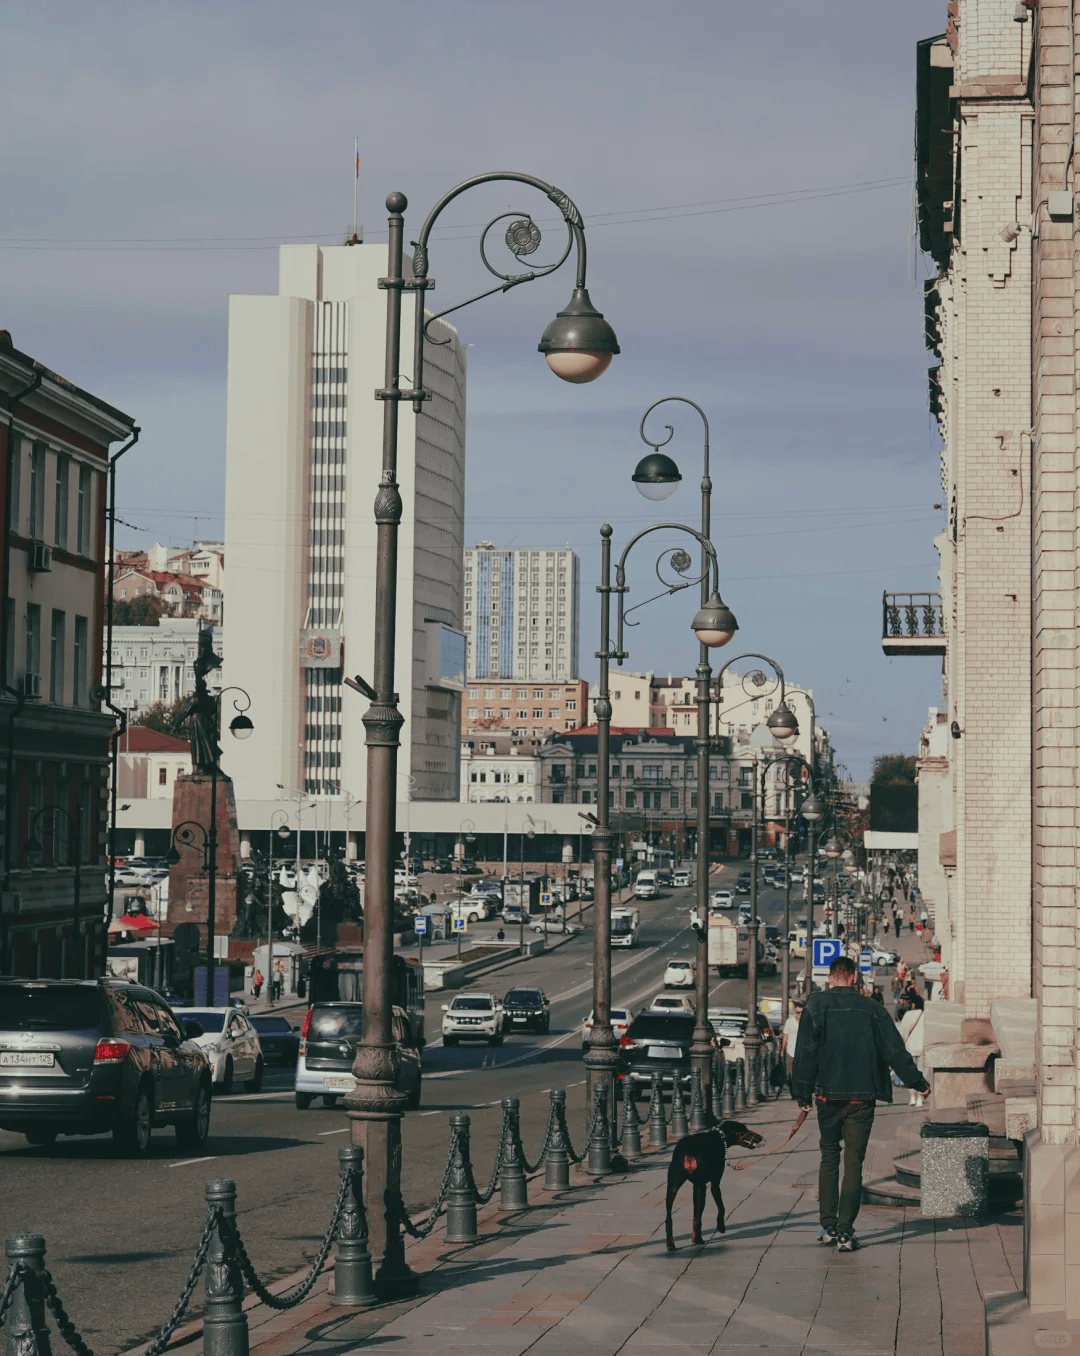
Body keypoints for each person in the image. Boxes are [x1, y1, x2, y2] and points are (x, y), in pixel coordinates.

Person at [792, 956, 930, 1253]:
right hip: (860, 1099)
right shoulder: (872, 1009)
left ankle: (827, 1225)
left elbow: (804, 1054)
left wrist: (802, 1096)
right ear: (853, 977)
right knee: (854, 1161)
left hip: (826, 1097)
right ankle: (845, 1232)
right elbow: (894, 1051)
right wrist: (919, 1083)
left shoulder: (815, 1006)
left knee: (829, 1156)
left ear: (831, 978)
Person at [898, 992, 926, 1107]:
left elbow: (903, 1031)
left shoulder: (908, 1015)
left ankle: (912, 1097)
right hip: (923, 1048)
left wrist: (901, 1044)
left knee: (910, 1074)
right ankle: (920, 1098)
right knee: (922, 1074)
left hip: (910, 1048)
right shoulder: (926, 1015)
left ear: (913, 1004)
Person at [781, 999, 805, 1098]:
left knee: (801, 1073)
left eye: (802, 1012)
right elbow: (785, 1037)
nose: (799, 1014)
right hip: (790, 1051)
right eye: (798, 1012)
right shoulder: (789, 1022)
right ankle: (793, 1092)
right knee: (791, 1073)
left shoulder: (806, 1023)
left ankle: (800, 1092)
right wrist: (782, 1050)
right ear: (795, 1012)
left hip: (803, 1052)